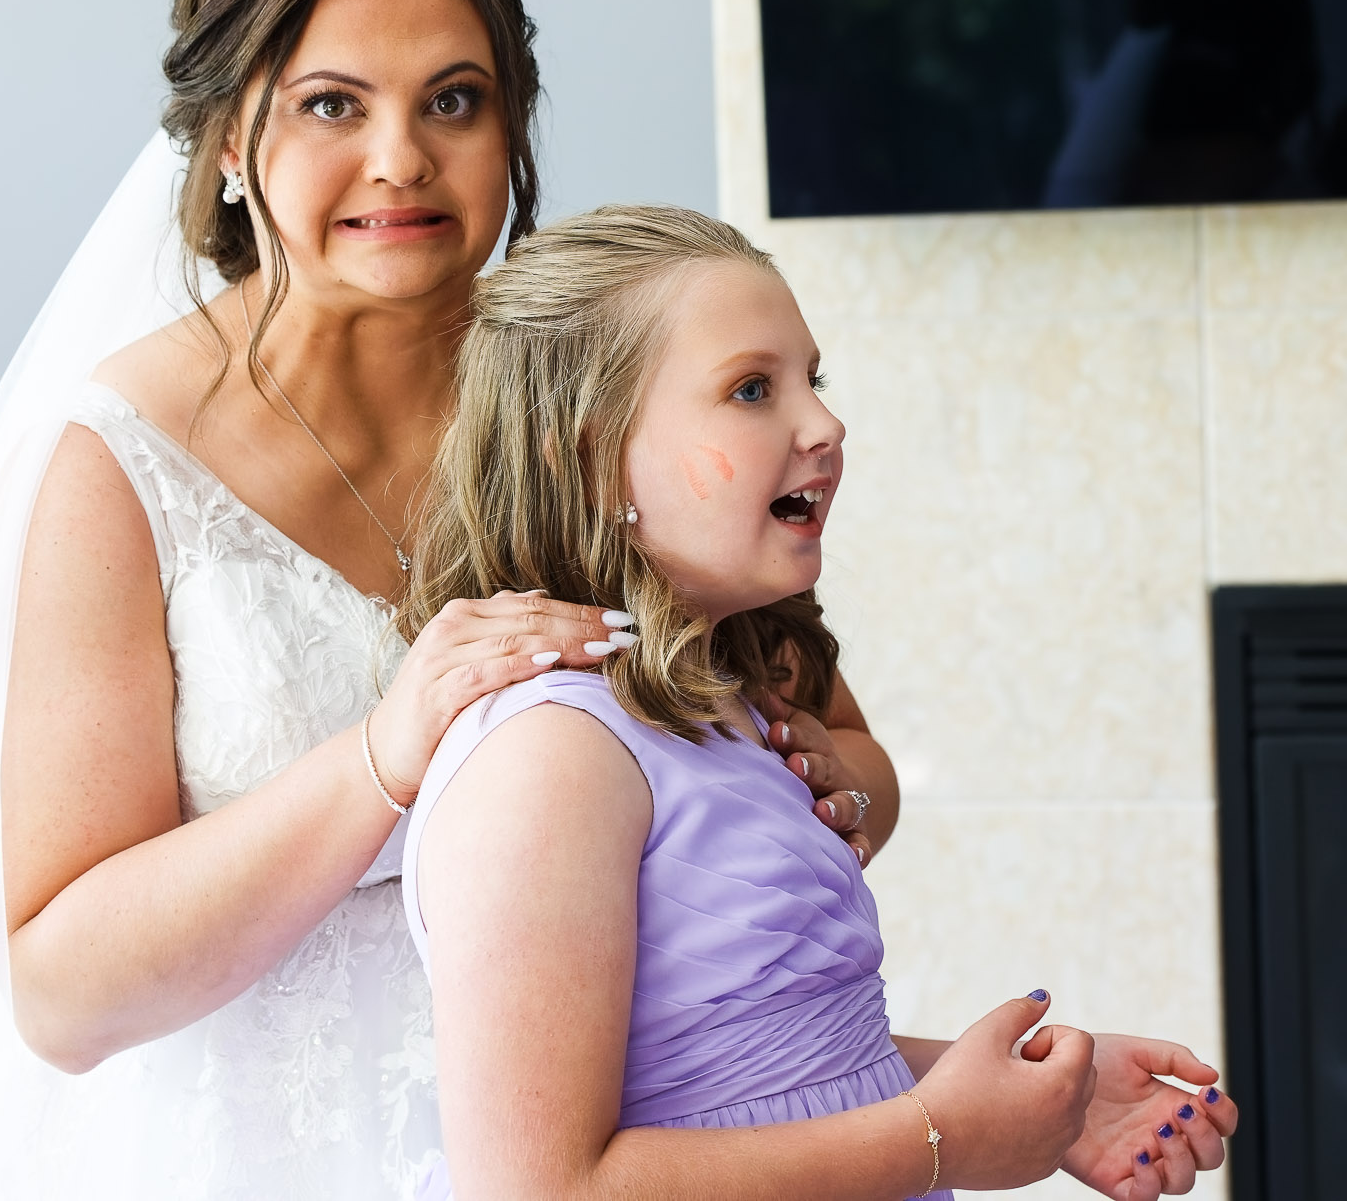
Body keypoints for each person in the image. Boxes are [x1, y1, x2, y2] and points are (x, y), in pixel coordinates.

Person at [0, 0, 1231, 1200]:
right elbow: (64, 990)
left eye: (457, 100)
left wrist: (825, 820)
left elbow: (838, 778)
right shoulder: (121, 468)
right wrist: (381, 761)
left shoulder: (593, 402)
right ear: (234, 139)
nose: (401, 159)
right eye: (332, 106)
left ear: (514, 126)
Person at [398, 206, 1239, 1200]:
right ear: (585, 456)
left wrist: (1024, 1100)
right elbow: (539, 1189)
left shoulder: (724, 714)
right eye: (751, 389)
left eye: (813, 379)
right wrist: (935, 1138)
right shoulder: (547, 760)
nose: (824, 425)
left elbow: (757, 1082)